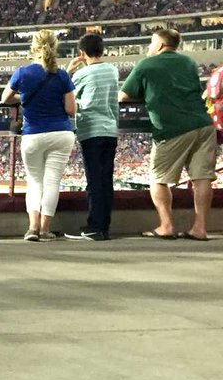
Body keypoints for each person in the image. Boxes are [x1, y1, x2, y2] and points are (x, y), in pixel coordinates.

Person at [120, 28, 217, 241]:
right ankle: (199, 229)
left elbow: (124, 95)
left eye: (151, 43)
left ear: (160, 45)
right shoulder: (189, 63)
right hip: (203, 123)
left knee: (158, 178)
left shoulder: (147, 64)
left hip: (171, 128)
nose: (149, 47)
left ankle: (166, 226)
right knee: (202, 178)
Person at [1, 30, 76, 241]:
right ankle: (45, 230)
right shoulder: (62, 75)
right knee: (52, 182)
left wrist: (24, 95)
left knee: (34, 182)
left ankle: (32, 228)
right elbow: (71, 110)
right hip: (61, 133)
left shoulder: (22, 73)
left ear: (32, 48)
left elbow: (6, 98)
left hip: (33, 134)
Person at [65, 32, 120, 241]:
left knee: (94, 180)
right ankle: (103, 225)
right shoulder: (113, 70)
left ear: (81, 53)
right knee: (106, 180)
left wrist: (69, 72)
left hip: (91, 130)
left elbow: (68, 97)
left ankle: (95, 226)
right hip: (110, 130)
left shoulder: (81, 75)